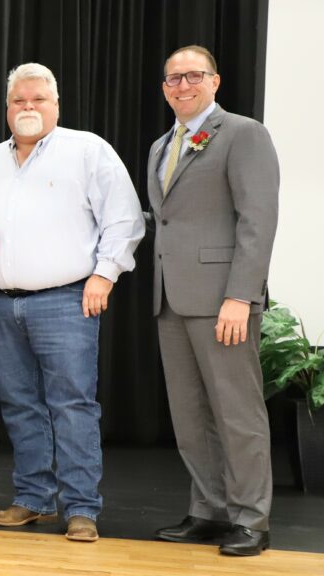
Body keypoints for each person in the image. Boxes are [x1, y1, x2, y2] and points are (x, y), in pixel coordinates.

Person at [0, 63, 144, 542]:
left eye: (38, 100)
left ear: (56, 104)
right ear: (7, 109)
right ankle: (32, 500)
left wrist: (104, 275)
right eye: (19, 101)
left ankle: (82, 508)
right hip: (1, 304)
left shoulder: (87, 151)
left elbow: (124, 219)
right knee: (19, 404)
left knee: (72, 405)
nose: (28, 107)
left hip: (67, 301)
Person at [148, 45, 278, 557]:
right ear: (164, 88)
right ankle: (209, 510)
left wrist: (240, 296)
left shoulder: (243, 134)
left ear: (215, 81)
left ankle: (251, 519)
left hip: (224, 300)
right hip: (171, 300)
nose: (183, 85)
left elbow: (257, 220)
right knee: (190, 416)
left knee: (237, 414)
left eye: (193, 76)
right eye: (173, 78)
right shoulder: (162, 145)